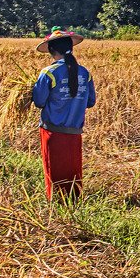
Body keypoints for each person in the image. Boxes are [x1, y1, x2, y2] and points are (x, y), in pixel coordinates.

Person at [32, 28, 96, 199]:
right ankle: (74, 203)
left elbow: (39, 101)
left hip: (53, 132)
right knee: (72, 170)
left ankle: (57, 206)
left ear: (52, 50)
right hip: (75, 132)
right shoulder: (85, 73)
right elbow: (90, 102)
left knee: (54, 172)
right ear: (71, 48)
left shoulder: (48, 73)